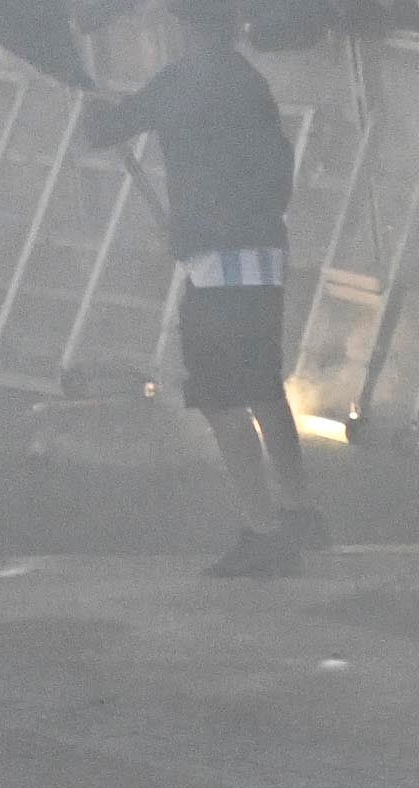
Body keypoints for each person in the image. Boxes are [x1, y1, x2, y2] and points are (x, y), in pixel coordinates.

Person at [73, 0, 322, 574]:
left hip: (217, 263)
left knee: (221, 399)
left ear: (183, 26)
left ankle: (264, 536)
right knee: (264, 388)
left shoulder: (183, 79)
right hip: (263, 253)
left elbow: (105, 130)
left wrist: (90, 105)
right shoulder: (249, 82)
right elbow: (274, 169)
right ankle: (297, 510)